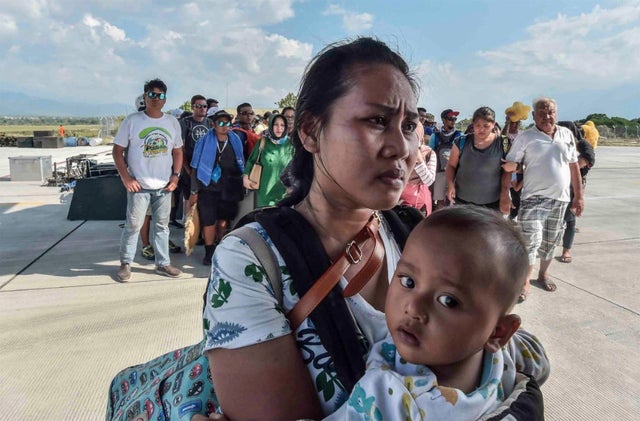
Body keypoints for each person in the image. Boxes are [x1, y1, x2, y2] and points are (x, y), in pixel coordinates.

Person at [198, 38, 544, 421]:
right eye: (377, 121)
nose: (401, 146)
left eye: (410, 125)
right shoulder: (253, 261)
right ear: (311, 131)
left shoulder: (418, 234)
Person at [327, 206, 549, 420]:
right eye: (408, 281)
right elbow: (541, 365)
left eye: (448, 301)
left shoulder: (387, 397)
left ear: (497, 332)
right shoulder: (511, 352)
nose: (413, 307)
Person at [503, 96, 584, 299]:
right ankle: (524, 282)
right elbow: (510, 165)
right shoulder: (526, 137)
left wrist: (579, 197)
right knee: (531, 240)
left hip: (561, 198)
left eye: (551, 112)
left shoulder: (566, 134)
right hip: (533, 198)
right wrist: (505, 193)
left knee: (550, 240)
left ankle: (543, 274)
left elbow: (574, 166)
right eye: (542, 112)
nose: (547, 116)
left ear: (556, 113)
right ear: (533, 115)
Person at [112, 78, 184, 281]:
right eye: (151, 94)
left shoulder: (172, 122)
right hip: (139, 186)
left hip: (164, 186)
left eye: (160, 95)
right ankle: (126, 264)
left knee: (162, 226)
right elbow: (117, 151)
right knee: (133, 225)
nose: (156, 99)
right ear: (144, 97)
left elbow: (178, 152)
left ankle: (163, 263)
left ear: (165, 99)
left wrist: (175, 176)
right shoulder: (132, 121)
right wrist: (126, 178)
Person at [189, 110, 245, 265]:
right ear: (213, 124)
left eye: (227, 123)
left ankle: (220, 248)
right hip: (208, 188)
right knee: (209, 221)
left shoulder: (235, 140)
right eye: (220, 123)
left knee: (223, 221)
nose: (224, 126)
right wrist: (194, 191)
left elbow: (240, 163)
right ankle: (209, 252)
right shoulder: (204, 141)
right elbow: (195, 167)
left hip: (228, 187)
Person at [445, 106, 511, 212]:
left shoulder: (504, 143)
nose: (481, 129)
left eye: (486, 126)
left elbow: (508, 172)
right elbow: (451, 165)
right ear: (473, 124)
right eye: (478, 125)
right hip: (462, 203)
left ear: (493, 124)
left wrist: (505, 194)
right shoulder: (461, 142)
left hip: (492, 205)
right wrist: (450, 184)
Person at [557, 121, 595, 264]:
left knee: (570, 220)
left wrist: (566, 167)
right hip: (556, 186)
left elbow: (586, 160)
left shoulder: (582, 144)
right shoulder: (556, 143)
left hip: (574, 187)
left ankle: (567, 250)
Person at [242, 113, 294, 207]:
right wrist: (245, 177)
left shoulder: (290, 144)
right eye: (276, 125)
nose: (279, 128)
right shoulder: (263, 142)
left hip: (285, 193)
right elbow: (251, 160)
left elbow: (297, 166)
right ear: (270, 125)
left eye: (282, 125)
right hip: (265, 192)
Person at [399, 122, 436, 215]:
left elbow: (429, 180)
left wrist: (419, 160)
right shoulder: (397, 151)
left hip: (420, 206)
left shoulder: (428, 153)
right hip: (397, 203)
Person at [429, 109, 462, 210]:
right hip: (439, 173)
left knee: (453, 201)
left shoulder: (459, 136)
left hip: (455, 175)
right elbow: (430, 154)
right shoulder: (435, 136)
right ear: (443, 120)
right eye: (450, 118)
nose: (453, 121)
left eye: (454, 119)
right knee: (440, 202)